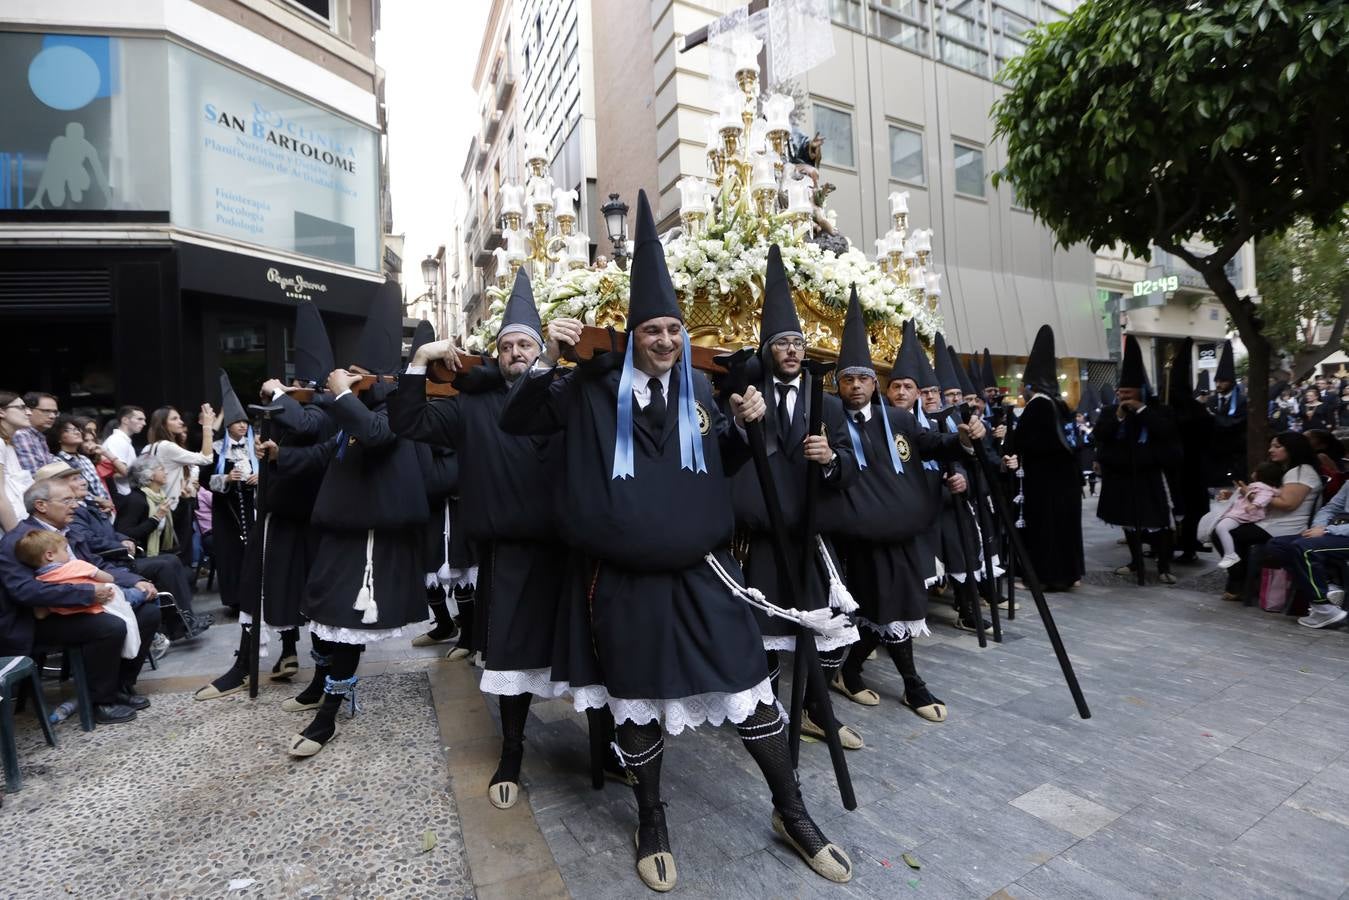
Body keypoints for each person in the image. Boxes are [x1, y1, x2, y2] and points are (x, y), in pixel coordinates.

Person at [500, 191, 852, 891]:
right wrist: (561, 364)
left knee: (749, 692)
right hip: (620, 579)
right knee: (637, 696)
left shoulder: (698, 388)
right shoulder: (594, 388)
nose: (663, 339)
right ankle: (652, 815)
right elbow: (519, 422)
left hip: (701, 571)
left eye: (671, 328)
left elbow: (713, 466)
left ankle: (791, 810)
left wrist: (743, 430)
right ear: (631, 336)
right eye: (651, 330)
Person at [391, 272, 621, 809]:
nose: (516, 352)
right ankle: (512, 752)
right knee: (512, 662)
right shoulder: (472, 406)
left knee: (591, 659)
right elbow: (407, 420)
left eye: (526, 344)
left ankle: (606, 751)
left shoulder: (572, 393)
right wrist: (420, 360)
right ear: (496, 354)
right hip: (510, 555)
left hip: (571, 553)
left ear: (543, 349)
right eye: (508, 345)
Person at [274, 282, 430, 759]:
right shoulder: (350, 412)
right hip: (337, 533)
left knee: (346, 622)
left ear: (379, 376)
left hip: (370, 540)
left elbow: (378, 436)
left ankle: (329, 715)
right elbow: (326, 450)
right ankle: (321, 685)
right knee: (323, 617)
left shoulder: (394, 407)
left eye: (360, 374)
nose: (350, 380)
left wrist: (344, 396)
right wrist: (281, 451)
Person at [725, 245, 860, 750]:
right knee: (762, 636)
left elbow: (853, 465)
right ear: (767, 350)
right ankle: (768, 716)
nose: (791, 351)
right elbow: (726, 454)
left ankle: (812, 709)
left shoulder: (826, 404)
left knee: (826, 633)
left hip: (808, 537)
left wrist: (831, 459)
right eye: (781, 343)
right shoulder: (742, 398)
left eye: (798, 343)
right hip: (758, 539)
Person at [832, 297, 986, 726]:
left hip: (902, 534)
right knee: (887, 607)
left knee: (891, 607)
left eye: (864, 377)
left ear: (873, 382)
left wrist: (965, 438)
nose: (857, 385)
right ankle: (910, 682)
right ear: (838, 384)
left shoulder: (896, 420)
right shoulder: (827, 419)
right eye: (849, 379)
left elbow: (935, 443)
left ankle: (851, 669)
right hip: (858, 537)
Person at [196, 300, 339, 700]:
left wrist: (280, 396)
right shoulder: (289, 408)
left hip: (315, 523)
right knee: (258, 590)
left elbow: (308, 425)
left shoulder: (329, 409)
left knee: (318, 603)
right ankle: (249, 665)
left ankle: (323, 678)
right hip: (276, 517)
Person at [0, 476, 159, 722]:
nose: (75, 505)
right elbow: (25, 591)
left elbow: (95, 565)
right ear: (41, 505)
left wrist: (134, 581)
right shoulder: (17, 541)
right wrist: (87, 594)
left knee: (149, 611)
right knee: (109, 627)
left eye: (75, 499)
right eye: (67, 500)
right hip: (43, 618)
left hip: (85, 604)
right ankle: (100, 701)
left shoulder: (69, 532)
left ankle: (120, 686)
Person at [1096, 336, 1182, 584]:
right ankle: (1135, 561)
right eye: (1121, 392)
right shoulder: (1110, 412)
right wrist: (1121, 416)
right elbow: (1101, 435)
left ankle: (1164, 565)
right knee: (1128, 520)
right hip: (1122, 475)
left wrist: (1141, 411)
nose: (1123, 397)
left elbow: (1166, 433)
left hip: (1151, 473)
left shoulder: (1159, 410)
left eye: (1128, 393)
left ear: (1141, 392)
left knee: (1159, 521)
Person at [1013, 326, 1085, 591]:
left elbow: (1023, 442)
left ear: (1030, 386)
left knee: (1046, 529)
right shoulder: (1060, 404)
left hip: (1045, 482)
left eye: (1022, 386)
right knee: (1067, 528)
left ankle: (1045, 577)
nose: (1020, 391)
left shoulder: (1037, 406)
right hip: (1065, 480)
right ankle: (1071, 573)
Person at [1218, 431, 1323, 603]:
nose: (1271, 450)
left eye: (1277, 446)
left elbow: (1288, 503)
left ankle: (1240, 582)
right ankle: (1241, 580)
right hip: (1271, 520)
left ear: (1292, 449)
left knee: (1229, 533)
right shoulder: (1288, 469)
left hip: (1286, 526)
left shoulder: (1302, 472)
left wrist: (1251, 496)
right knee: (1225, 528)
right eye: (1271, 446)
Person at [15, 529, 144, 659]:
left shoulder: (39, 581)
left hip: (76, 615)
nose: (68, 554)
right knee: (135, 594)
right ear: (49, 555)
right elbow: (109, 578)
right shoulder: (76, 565)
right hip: (104, 602)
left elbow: (40, 614)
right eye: (65, 550)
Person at [1264, 481, 1349, 629]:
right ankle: (1328, 588)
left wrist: (1328, 530)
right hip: (1335, 533)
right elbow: (1331, 507)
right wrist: (1318, 526)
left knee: (1305, 548)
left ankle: (1323, 607)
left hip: (1339, 533)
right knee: (1277, 545)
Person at [207, 373, 258, 614]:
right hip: (227, 511)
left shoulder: (256, 448)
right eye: (237, 422)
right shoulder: (217, 450)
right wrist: (226, 478)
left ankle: (258, 595)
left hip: (253, 506)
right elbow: (203, 480)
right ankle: (237, 600)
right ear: (228, 425)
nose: (242, 425)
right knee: (232, 553)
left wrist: (261, 478)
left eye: (245, 422)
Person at [144, 404, 216, 567]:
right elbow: (206, 458)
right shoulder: (167, 446)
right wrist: (207, 426)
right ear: (163, 424)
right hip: (173, 507)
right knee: (182, 556)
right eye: (174, 418)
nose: (181, 422)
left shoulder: (150, 446)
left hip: (160, 505)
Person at [1165, 339, 1215, 564]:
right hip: (1184, 467)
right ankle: (1180, 544)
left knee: (1189, 508)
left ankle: (1188, 546)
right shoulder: (1185, 409)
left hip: (1189, 468)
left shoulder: (1187, 411)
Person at [1213, 462, 1285, 568]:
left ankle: (1230, 555)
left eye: (1256, 470)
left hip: (1243, 514)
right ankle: (1225, 551)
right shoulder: (1259, 486)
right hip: (1242, 514)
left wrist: (1255, 505)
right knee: (1220, 526)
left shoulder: (1262, 487)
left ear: (1259, 474)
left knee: (1221, 527)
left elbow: (1265, 496)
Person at [47, 414, 114, 513]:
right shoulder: (56, 461)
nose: (76, 432)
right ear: (58, 437)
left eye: (77, 429)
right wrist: (99, 500)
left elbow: (98, 486)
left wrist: (107, 502)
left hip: (102, 510)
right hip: (80, 511)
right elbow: (70, 490)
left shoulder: (84, 459)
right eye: (68, 430)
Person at [1208, 341, 1246, 486]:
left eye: (1222, 381)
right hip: (1215, 454)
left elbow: (1234, 424)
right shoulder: (1211, 401)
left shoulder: (1241, 401)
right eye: (1217, 381)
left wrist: (1212, 417)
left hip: (1234, 453)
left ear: (1231, 382)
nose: (1218, 384)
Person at [0, 391, 36, 532]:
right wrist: (16, 537)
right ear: (2, 412)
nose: (29, 413)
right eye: (21, 407)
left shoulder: (8, 444)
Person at [103, 405, 145, 498]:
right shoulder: (117, 440)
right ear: (125, 420)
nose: (144, 423)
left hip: (128, 492)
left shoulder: (123, 440)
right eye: (139, 419)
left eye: (144, 419)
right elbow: (119, 472)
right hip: (123, 494)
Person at [12, 392, 58, 474]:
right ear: (28, 410)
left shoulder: (39, 436)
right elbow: (34, 474)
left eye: (55, 412)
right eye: (46, 411)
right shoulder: (21, 435)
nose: (52, 416)